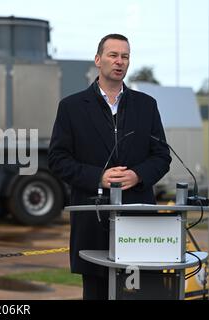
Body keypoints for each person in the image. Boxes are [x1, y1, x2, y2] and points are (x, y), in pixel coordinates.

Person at [47, 34, 171, 300]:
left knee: (142, 294)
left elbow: (162, 156)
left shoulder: (146, 105)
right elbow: (58, 159)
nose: (119, 62)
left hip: (140, 227)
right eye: (113, 55)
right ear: (98, 60)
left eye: (125, 56)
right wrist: (98, 177)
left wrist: (138, 175)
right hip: (93, 221)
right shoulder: (71, 107)